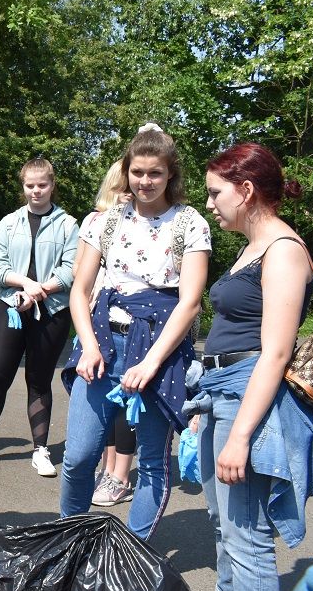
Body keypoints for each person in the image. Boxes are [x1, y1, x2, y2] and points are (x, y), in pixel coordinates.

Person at [189, 142, 313, 591]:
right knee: (223, 522)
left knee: (247, 535)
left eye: (214, 193)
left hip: (248, 397)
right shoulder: (254, 247)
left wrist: (241, 435)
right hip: (221, 392)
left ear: (245, 190)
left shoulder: (284, 250)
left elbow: (276, 353)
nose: (209, 204)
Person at [59, 123, 210, 541]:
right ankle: (70, 541)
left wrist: (151, 362)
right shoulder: (103, 222)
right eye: (137, 172)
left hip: (160, 349)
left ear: (170, 175)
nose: (145, 182)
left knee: (153, 464)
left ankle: (132, 553)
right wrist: (88, 344)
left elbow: (189, 302)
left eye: (155, 173)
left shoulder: (190, 223)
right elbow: (81, 291)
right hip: (104, 343)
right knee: (78, 457)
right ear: (126, 171)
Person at [0, 158, 78, 477]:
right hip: (10, 309)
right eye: (30, 185)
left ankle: (41, 451)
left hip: (52, 313)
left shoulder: (68, 225)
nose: (36, 191)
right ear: (23, 186)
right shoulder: (9, 223)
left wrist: (39, 291)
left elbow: (72, 269)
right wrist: (23, 285)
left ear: (52, 184)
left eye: (42, 185)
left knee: (38, 381)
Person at [73, 163, 138, 506]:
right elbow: (77, 274)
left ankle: (120, 476)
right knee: (105, 408)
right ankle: (109, 469)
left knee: (127, 404)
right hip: (96, 319)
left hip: (131, 326)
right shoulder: (96, 221)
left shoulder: (152, 224)